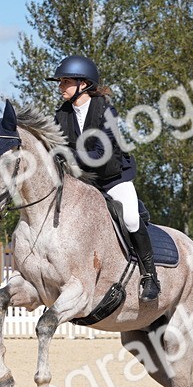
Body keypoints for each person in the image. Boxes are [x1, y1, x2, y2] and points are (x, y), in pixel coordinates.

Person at [47, 54, 159, 300]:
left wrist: (67, 153)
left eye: (65, 82)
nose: (60, 87)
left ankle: (149, 276)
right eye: (61, 82)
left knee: (130, 218)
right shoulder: (61, 115)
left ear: (83, 84)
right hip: (84, 181)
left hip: (113, 177)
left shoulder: (106, 111)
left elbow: (101, 154)